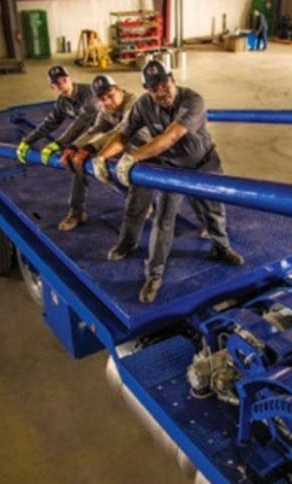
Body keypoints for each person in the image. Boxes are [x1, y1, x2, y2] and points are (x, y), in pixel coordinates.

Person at [92, 60, 244, 304]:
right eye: (153, 89)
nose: (160, 92)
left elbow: (171, 136)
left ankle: (221, 246)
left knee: (213, 210)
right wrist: (102, 156)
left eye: (164, 84)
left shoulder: (192, 100)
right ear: (146, 90)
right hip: (172, 169)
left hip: (204, 165)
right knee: (163, 219)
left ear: (172, 79)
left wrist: (133, 156)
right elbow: (123, 134)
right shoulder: (143, 105)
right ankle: (154, 275)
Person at [57, 74, 150, 231]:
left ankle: (140, 200)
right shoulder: (105, 107)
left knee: (102, 154)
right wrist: (75, 146)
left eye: (110, 96)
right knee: (79, 160)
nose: (106, 101)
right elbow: (96, 129)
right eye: (101, 98)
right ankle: (77, 212)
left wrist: (90, 147)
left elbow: (122, 130)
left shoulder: (134, 103)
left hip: (146, 150)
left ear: (119, 89)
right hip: (123, 149)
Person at [15, 65, 98, 229]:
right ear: (53, 87)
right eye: (58, 84)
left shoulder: (89, 93)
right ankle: (76, 213)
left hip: (112, 134)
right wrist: (27, 141)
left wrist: (58, 143)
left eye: (64, 80)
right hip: (89, 139)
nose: (63, 85)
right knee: (76, 166)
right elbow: (50, 123)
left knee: (113, 175)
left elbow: (83, 120)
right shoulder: (62, 102)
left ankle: (142, 203)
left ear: (70, 78)